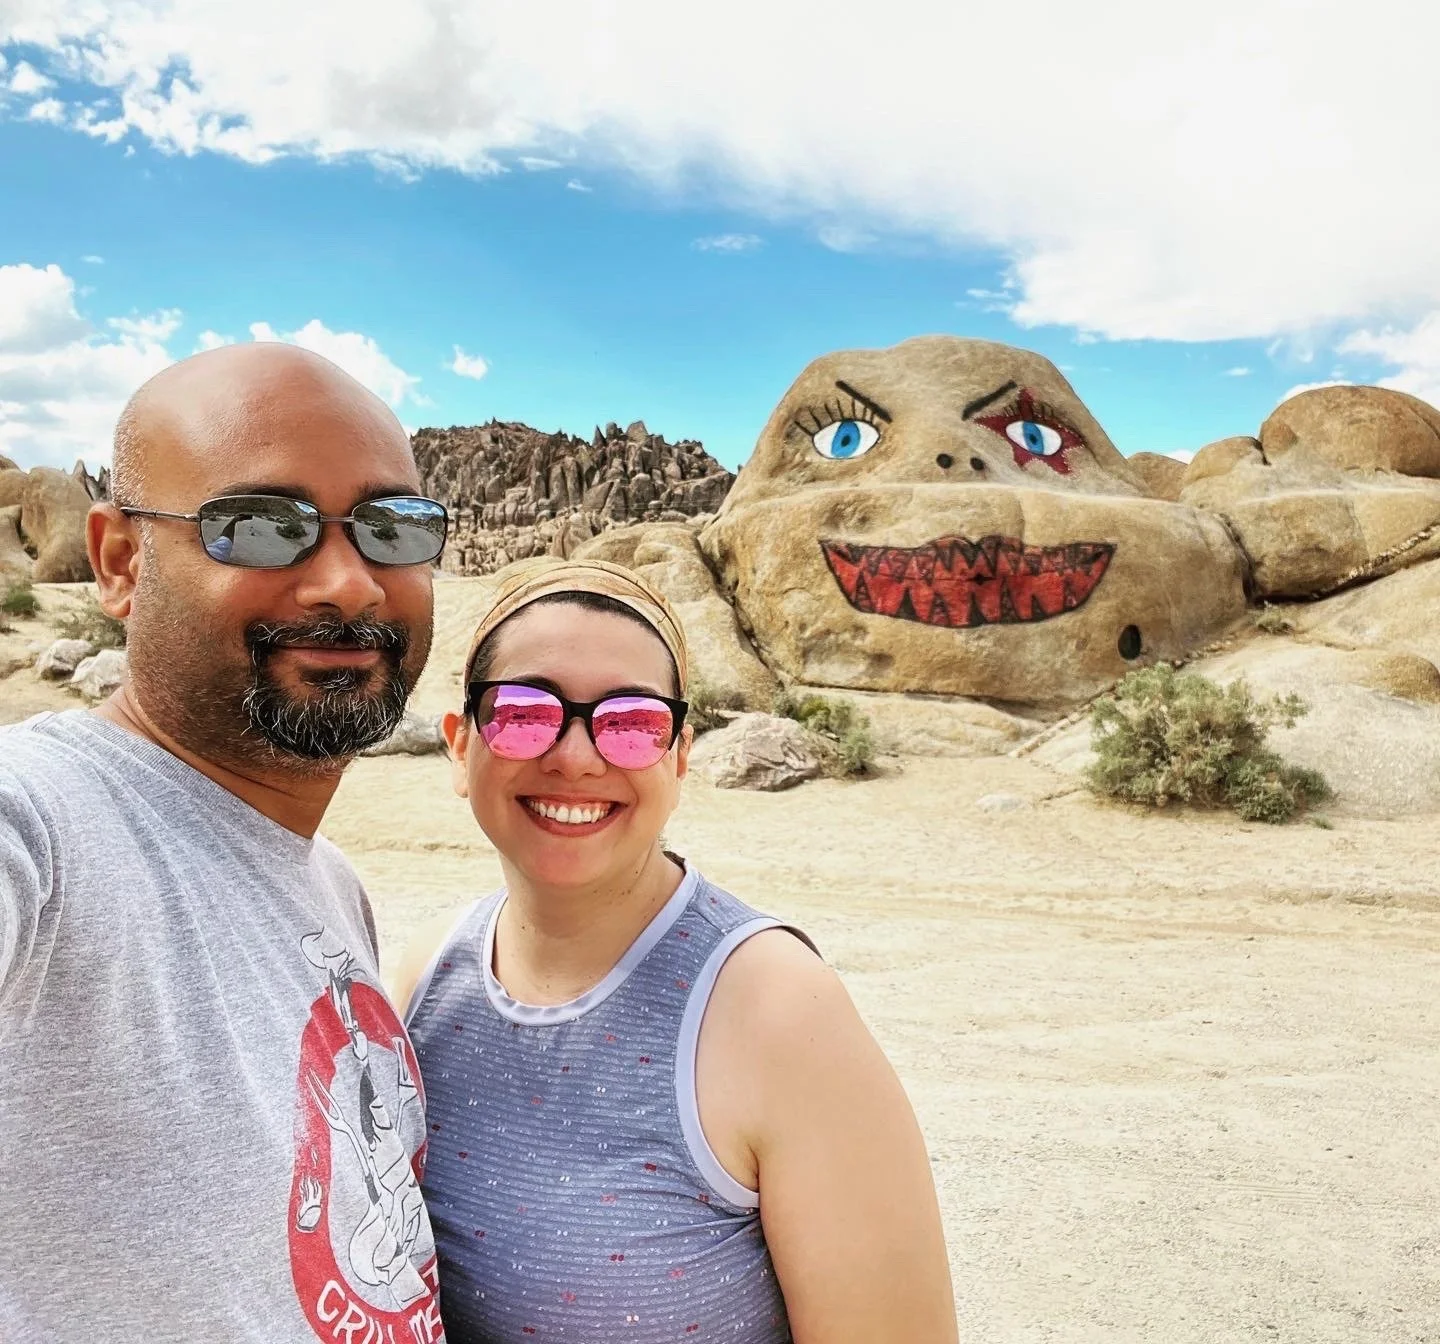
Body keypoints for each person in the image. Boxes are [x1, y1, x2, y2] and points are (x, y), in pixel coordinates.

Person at [0, 343, 451, 1343]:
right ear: (119, 561)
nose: (349, 585)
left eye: (391, 528)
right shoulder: (39, 820)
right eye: (258, 527)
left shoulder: (333, 891)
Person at [396, 557, 958, 1343]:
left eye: (630, 723)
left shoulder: (778, 1012)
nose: (577, 755)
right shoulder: (420, 984)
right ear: (460, 747)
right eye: (524, 712)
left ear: (681, 757)